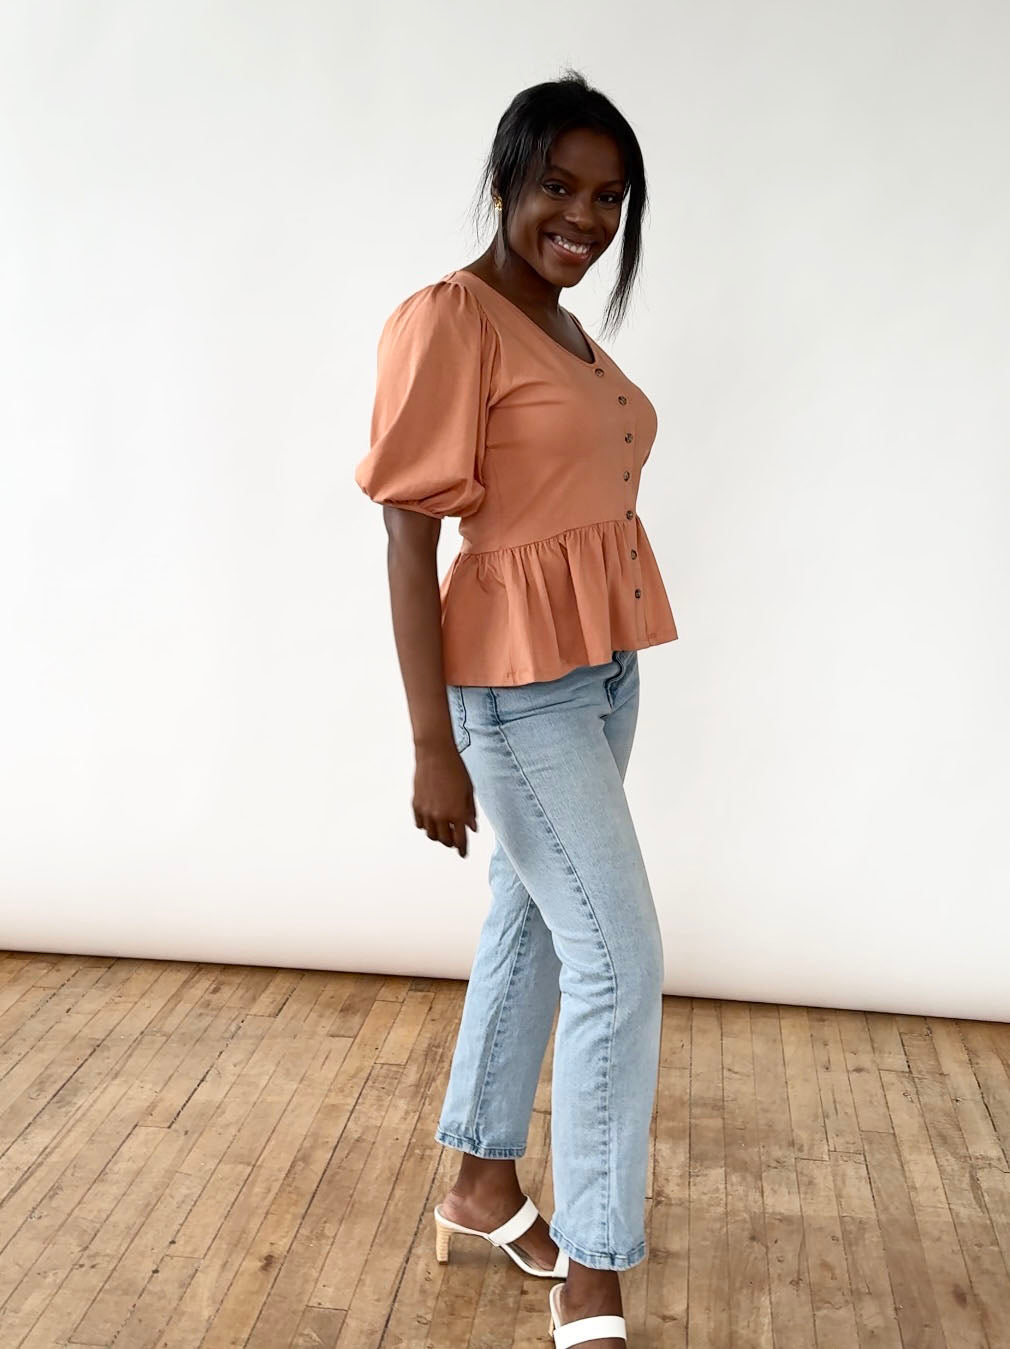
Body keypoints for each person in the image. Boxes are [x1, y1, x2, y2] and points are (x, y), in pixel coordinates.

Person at [354, 70, 678, 1349]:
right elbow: (406, 532)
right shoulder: (451, 318)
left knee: (539, 924)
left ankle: (481, 1177)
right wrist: (430, 742)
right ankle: (593, 1272)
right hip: (512, 689)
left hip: (601, 667)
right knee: (620, 958)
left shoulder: (561, 327)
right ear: (506, 181)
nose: (582, 218)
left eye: (607, 198)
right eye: (557, 186)